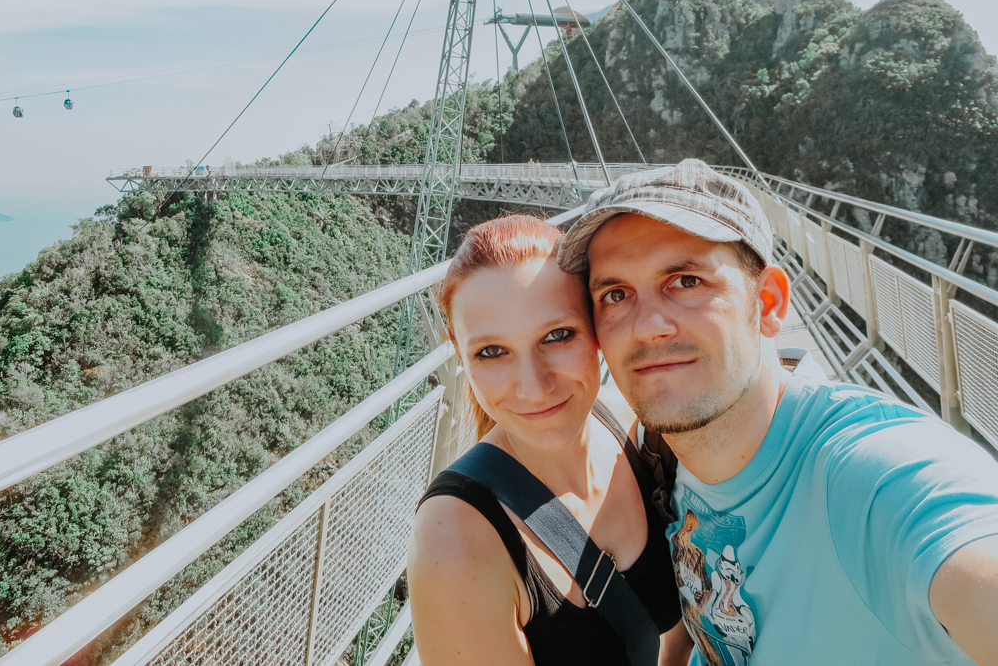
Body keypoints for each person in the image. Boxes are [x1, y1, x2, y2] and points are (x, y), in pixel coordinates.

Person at [557, 159, 998, 666]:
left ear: (768, 303)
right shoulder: (659, 458)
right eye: (615, 295)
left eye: (686, 281)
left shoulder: (875, 479)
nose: (647, 326)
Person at [408, 214, 687, 665]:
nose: (533, 386)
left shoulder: (632, 431)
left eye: (558, 335)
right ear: (462, 357)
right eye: (491, 352)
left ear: (598, 330)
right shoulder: (456, 542)